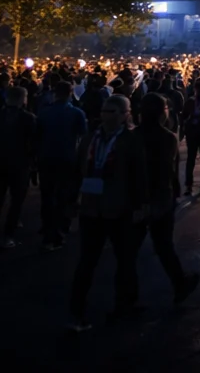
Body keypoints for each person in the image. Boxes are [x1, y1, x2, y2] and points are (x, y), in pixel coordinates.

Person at [68, 93, 148, 330]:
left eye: (111, 111)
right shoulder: (90, 139)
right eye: (104, 111)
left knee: (125, 260)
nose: (105, 115)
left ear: (125, 116)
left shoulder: (132, 140)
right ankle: (77, 309)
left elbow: (139, 175)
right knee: (87, 261)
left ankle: (125, 304)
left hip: (119, 207)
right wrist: (72, 199)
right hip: (92, 207)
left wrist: (140, 204)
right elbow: (77, 170)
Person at [134, 93, 199, 306]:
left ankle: (126, 298)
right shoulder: (168, 137)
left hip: (135, 197)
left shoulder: (132, 136)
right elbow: (169, 168)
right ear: (162, 112)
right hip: (160, 195)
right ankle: (179, 284)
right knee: (164, 244)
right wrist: (175, 190)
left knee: (129, 250)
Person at [36, 80, 87, 250]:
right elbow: (83, 138)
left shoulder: (44, 113)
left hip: (46, 158)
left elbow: (37, 136)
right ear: (71, 93)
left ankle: (46, 227)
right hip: (67, 158)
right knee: (63, 196)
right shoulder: (77, 114)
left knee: (47, 195)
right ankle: (58, 232)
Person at [0, 84, 37, 249]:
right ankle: (8, 233)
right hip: (20, 164)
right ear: (23, 100)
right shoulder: (29, 118)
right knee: (16, 200)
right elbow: (33, 143)